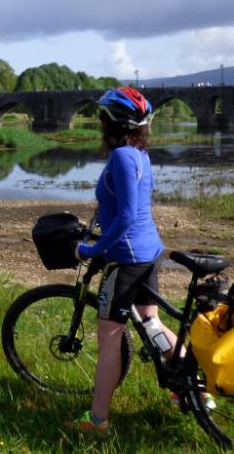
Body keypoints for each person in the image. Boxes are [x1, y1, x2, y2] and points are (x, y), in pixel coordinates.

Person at [66, 87, 178, 434]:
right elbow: (121, 204)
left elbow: (127, 215)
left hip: (126, 258)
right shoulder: (139, 155)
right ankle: (191, 387)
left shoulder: (120, 158)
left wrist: (93, 251)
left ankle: (97, 420)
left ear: (109, 123)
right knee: (151, 323)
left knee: (110, 337)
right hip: (149, 251)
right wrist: (96, 227)